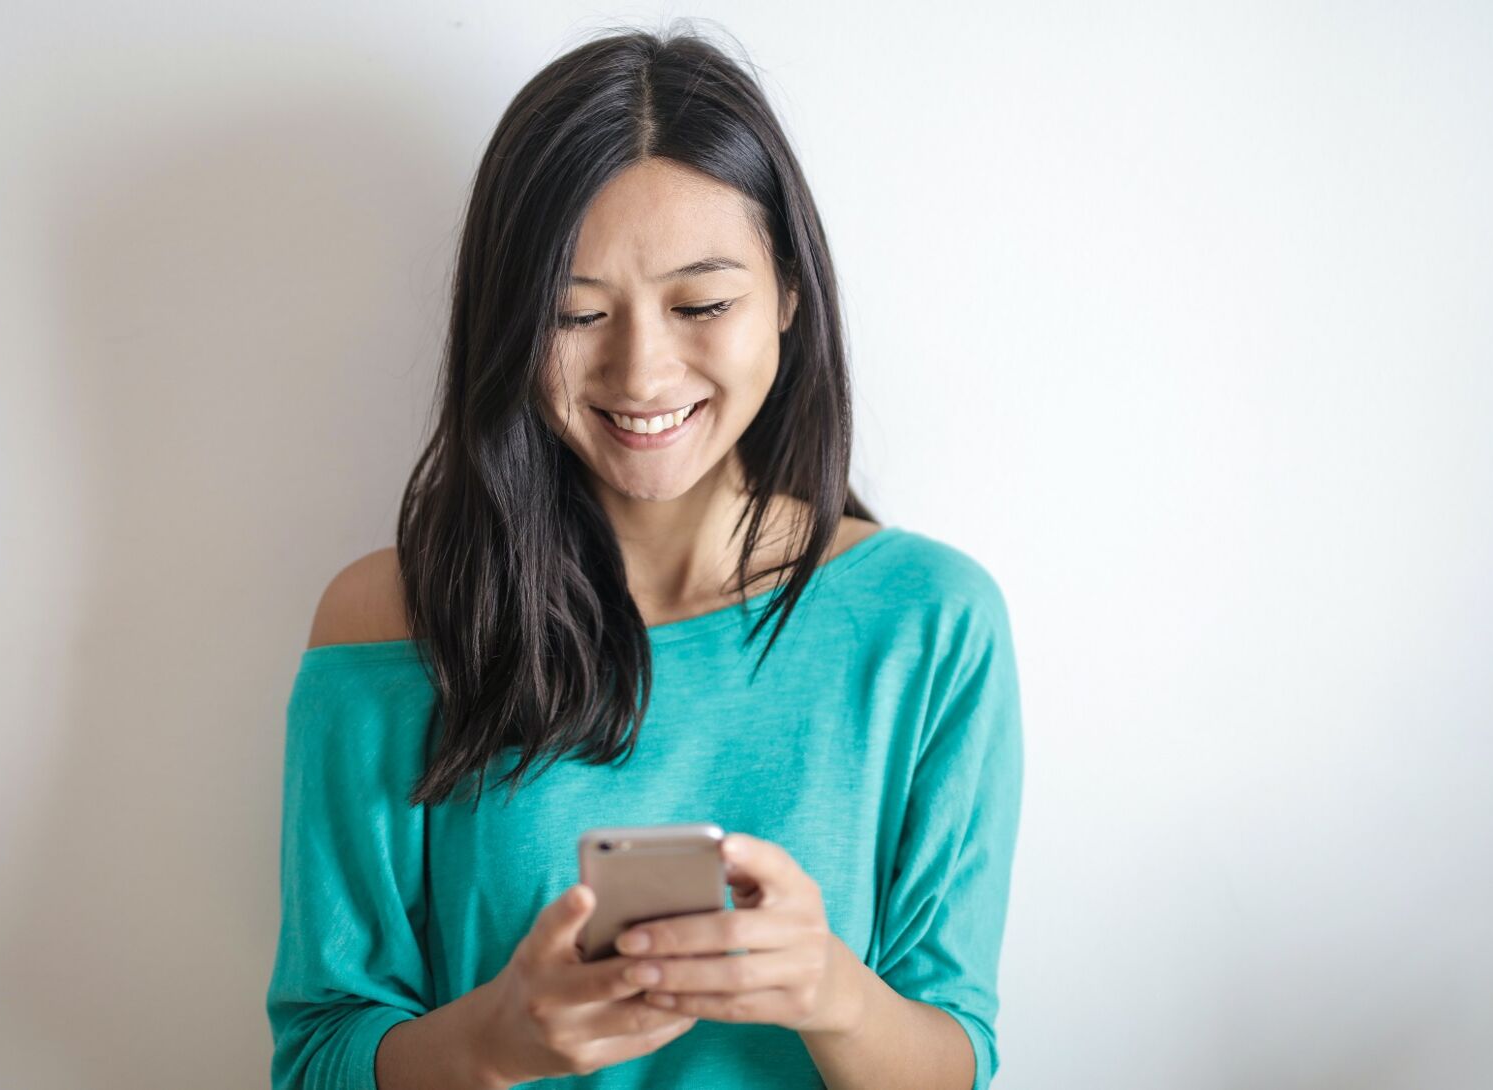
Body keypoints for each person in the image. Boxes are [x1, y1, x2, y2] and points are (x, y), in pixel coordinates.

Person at [267, 24, 1023, 1090]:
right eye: (575, 314)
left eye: (703, 304)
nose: (641, 369)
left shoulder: (930, 622)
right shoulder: (391, 620)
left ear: (790, 299)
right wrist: (494, 1040)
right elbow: (315, 1060)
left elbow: (956, 1061)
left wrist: (830, 993)